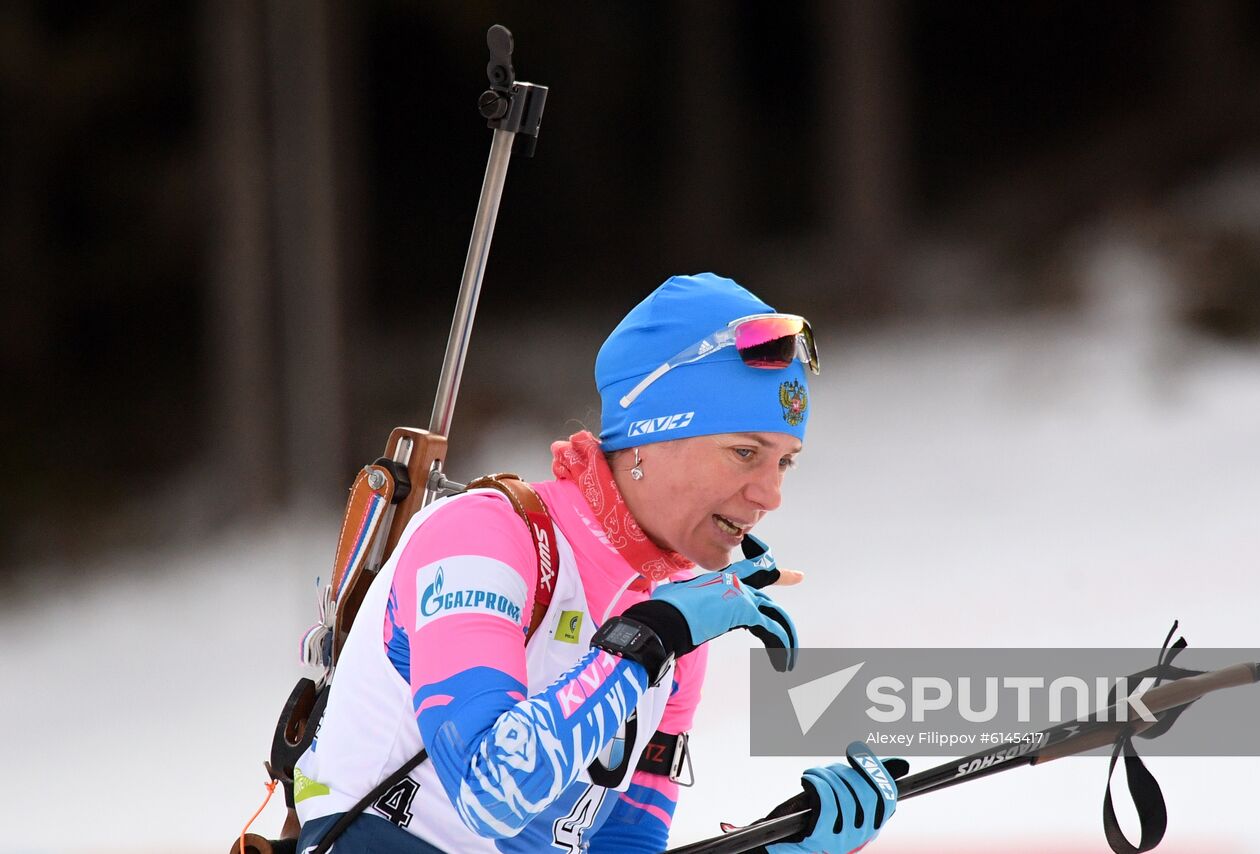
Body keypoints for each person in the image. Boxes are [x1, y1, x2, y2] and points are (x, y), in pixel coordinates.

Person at [293, 272, 901, 853]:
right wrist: (646, 641)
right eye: (745, 453)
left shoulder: (678, 612)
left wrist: (775, 847)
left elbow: (624, 847)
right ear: (648, 438)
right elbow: (491, 793)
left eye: (784, 461)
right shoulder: (485, 537)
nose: (771, 495)